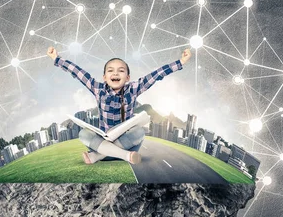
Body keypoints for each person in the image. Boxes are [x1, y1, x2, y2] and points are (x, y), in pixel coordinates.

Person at [47, 46, 192, 164]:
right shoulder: (98, 88)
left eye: (121, 71)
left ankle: (97, 157)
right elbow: (77, 72)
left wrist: (181, 62)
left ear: (128, 77)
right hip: (104, 144)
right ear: (104, 77)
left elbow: (156, 75)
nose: (115, 73)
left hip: (126, 143)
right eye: (110, 70)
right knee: (83, 134)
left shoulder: (134, 89)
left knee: (140, 132)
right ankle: (124, 156)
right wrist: (57, 59)